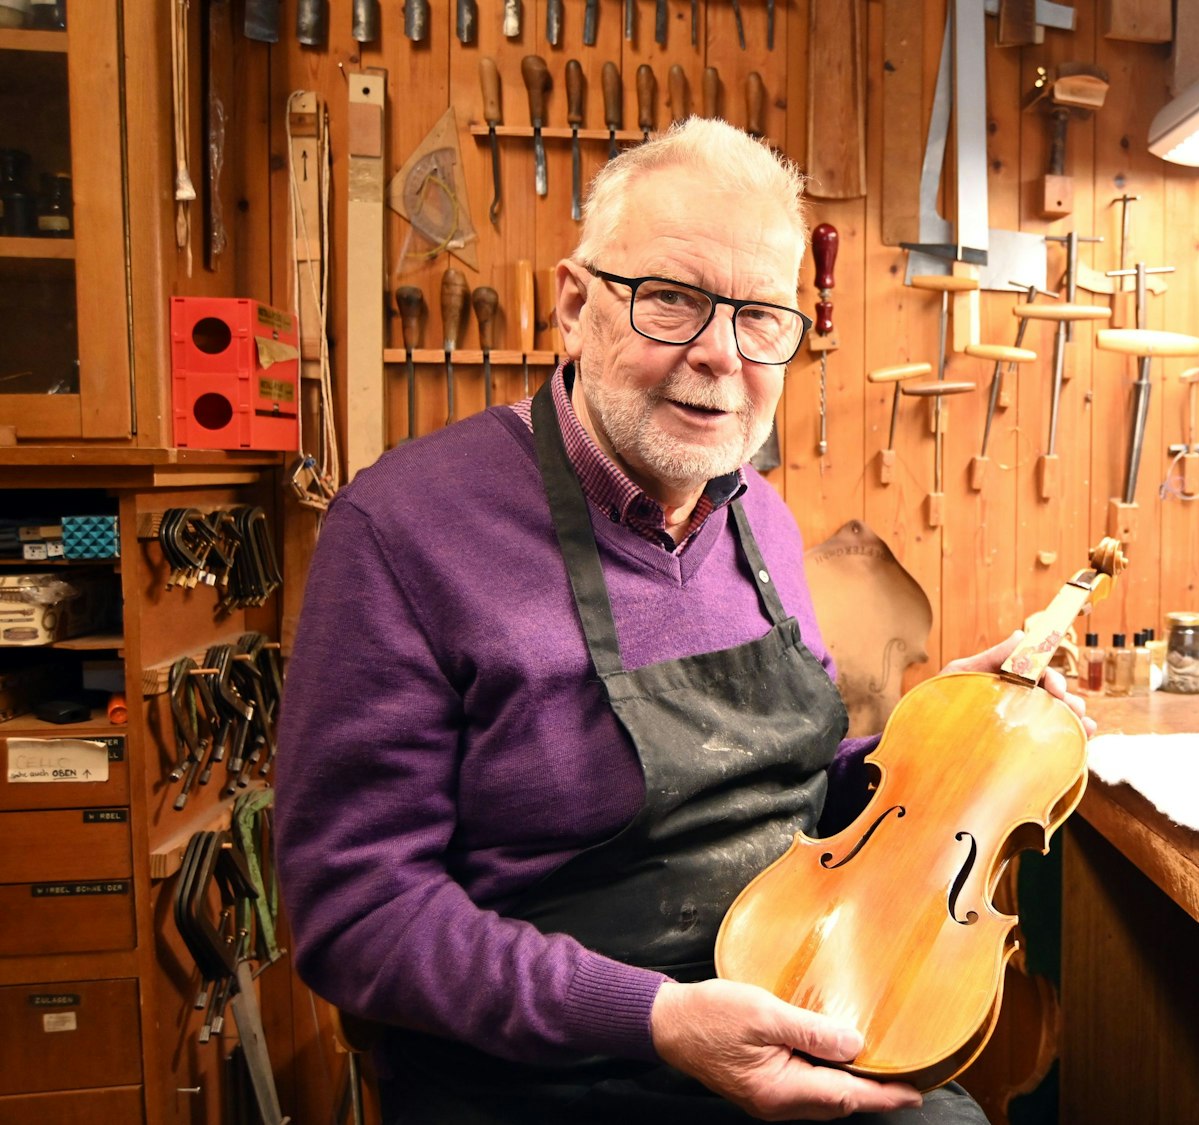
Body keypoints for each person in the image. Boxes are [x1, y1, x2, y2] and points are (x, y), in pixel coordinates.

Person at [274, 118, 1090, 1124]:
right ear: (574, 305)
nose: (719, 355)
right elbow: (355, 912)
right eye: (671, 300)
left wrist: (945, 744)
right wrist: (651, 1016)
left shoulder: (759, 514)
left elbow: (781, 804)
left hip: (786, 1006)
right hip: (541, 1080)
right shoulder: (401, 533)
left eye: (761, 318)